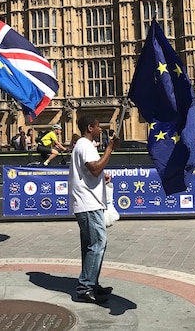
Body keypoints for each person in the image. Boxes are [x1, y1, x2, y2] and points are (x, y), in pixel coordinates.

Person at [69, 116, 119, 304]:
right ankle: (85, 288)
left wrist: (101, 179)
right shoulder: (85, 144)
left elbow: (92, 173)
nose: (101, 129)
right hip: (88, 203)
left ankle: (92, 283)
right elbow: (95, 168)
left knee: (90, 246)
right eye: (99, 126)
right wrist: (109, 149)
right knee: (98, 243)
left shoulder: (84, 145)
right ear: (90, 128)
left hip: (89, 202)